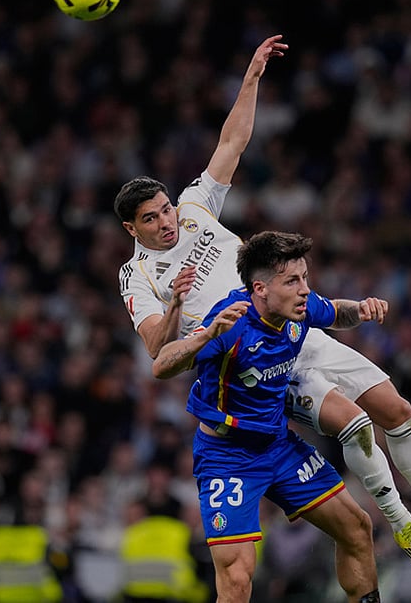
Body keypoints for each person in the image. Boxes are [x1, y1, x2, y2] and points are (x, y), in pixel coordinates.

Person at [116, 35, 411, 571]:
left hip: (294, 318)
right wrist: (178, 306)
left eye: (164, 209)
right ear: (132, 228)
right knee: (355, 424)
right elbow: (158, 350)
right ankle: (403, 526)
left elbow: (231, 144)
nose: (165, 221)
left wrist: (251, 79)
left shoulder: (195, 209)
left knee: (397, 409)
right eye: (151, 219)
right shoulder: (136, 275)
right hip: (252, 360)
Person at [152, 230, 381, 603]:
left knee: (357, 527)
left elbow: (335, 312)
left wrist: (362, 309)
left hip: (277, 445)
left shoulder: (299, 309)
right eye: (293, 281)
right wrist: (206, 336)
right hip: (227, 458)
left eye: (305, 277)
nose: (304, 289)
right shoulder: (231, 323)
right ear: (260, 289)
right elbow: (161, 365)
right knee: (238, 578)